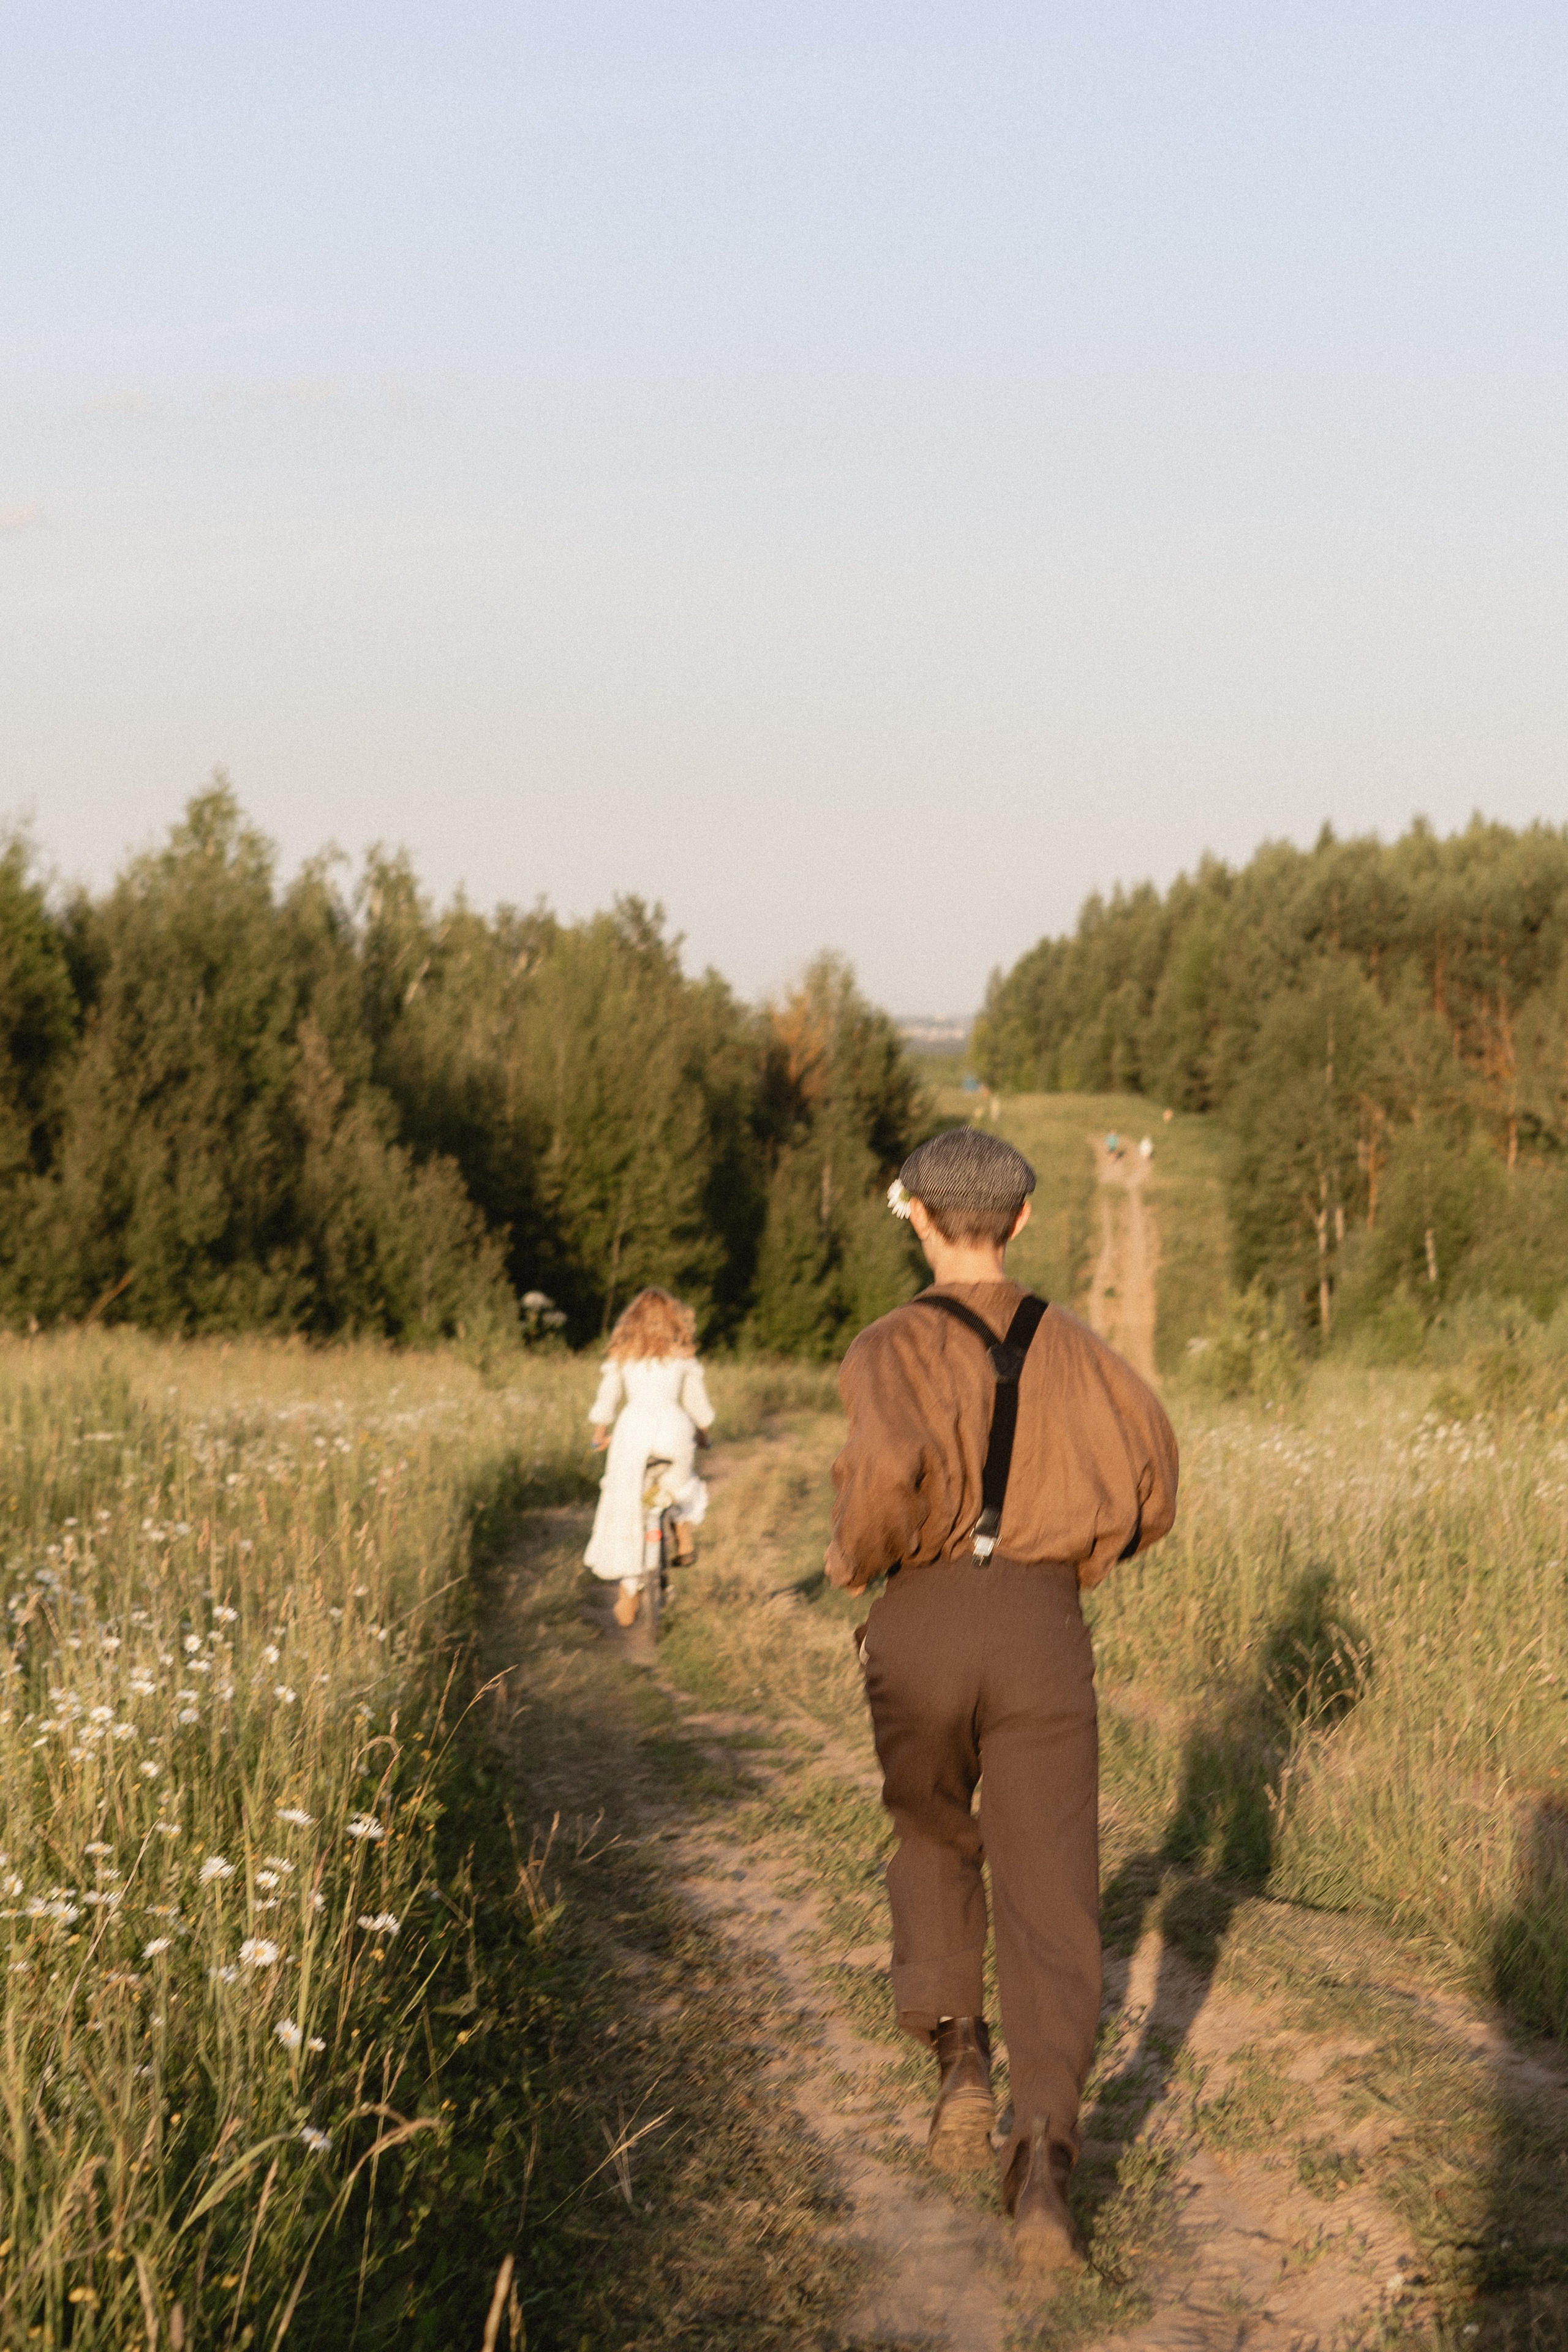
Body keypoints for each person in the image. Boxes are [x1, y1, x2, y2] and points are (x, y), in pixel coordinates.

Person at [827, 1129, 1178, 2277]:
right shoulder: (1084, 1349)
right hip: (1040, 1626)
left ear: (914, 1217)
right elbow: (1154, 1484)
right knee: (1052, 1888)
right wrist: (1084, 1552)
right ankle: (1040, 2170)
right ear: (1022, 1222)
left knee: (931, 1835)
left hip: (922, 1614)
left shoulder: (885, 1347)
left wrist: (854, 1564)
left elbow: (879, 1487)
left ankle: (960, 2064)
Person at [585, 1287, 714, 1628]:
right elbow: (696, 1401)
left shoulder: (623, 1353)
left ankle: (629, 1595)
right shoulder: (682, 1354)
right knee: (681, 1483)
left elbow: (608, 1397)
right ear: (673, 1317)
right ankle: (683, 1531)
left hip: (632, 1433)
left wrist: (600, 1434)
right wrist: (702, 1432)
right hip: (674, 1429)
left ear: (633, 1319)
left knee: (627, 1507)